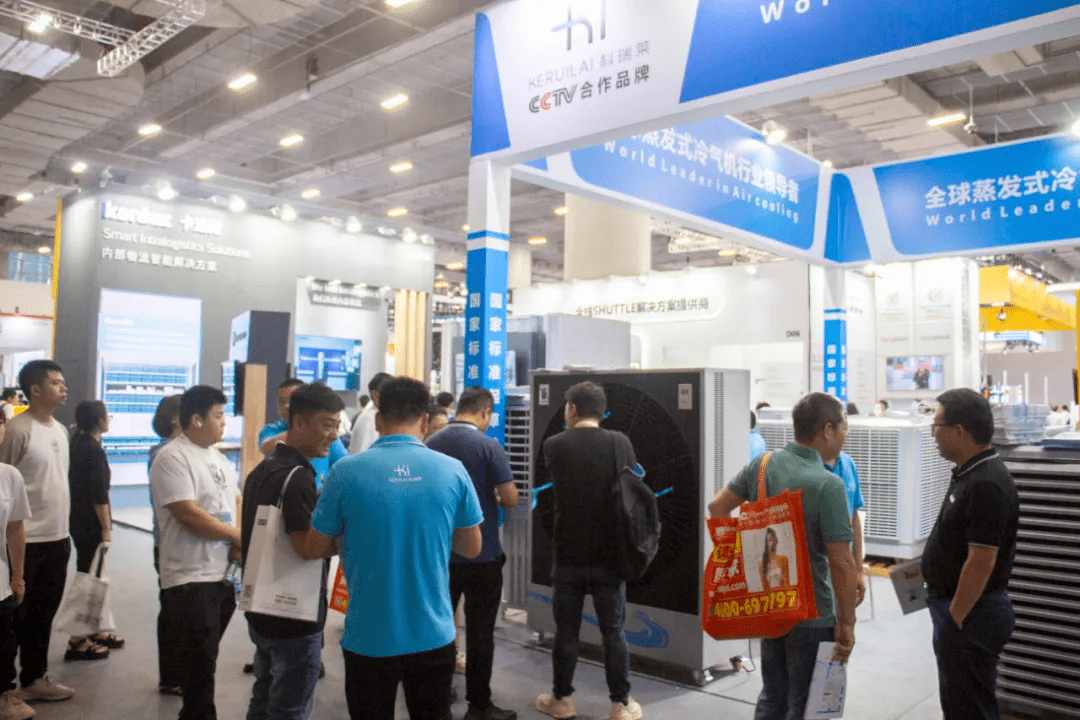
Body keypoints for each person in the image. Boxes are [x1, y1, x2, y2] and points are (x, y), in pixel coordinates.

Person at [309, 376, 483, 720]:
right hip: (433, 633)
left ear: (378, 420)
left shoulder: (345, 472)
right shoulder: (452, 470)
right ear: (424, 421)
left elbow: (314, 547)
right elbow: (472, 547)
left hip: (368, 636)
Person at [708, 392, 858, 720]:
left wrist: (742, 556)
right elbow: (841, 563)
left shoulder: (762, 466)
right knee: (806, 705)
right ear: (828, 430)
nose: (845, 435)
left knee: (773, 696)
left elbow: (717, 507)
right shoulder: (828, 485)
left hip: (770, 604)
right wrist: (847, 622)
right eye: (844, 427)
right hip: (813, 613)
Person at [535, 381, 642, 720]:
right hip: (611, 558)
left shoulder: (554, 445)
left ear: (572, 409)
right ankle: (620, 705)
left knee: (566, 632)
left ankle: (562, 700)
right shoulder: (620, 443)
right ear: (602, 411)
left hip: (568, 556)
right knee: (613, 632)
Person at [242, 382, 344, 720]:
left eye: (337, 425)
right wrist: (347, 539)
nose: (334, 435)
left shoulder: (263, 469)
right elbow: (306, 548)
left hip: (261, 609)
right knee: (291, 708)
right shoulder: (298, 477)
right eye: (327, 425)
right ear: (298, 422)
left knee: (263, 696)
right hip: (293, 616)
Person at [923, 389, 1019, 720]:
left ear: (959, 430)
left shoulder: (986, 483)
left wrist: (955, 619)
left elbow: (981, 562)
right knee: (958, 702)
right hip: (961, 610)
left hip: (972, 615)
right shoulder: (969, 473)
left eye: (936, 426)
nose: (933, 434)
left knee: (970, 708)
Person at [426, 386, 520, 720]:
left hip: (440, 554)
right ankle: (479, 706)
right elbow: (510, 498)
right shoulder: (489, 446)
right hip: (483, 555)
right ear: (484, 413)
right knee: (481, 634)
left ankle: (437, 700)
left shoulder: (431, 443)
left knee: (439, 628)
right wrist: (492, 496)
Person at [151, 385, 241, 720]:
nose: (224, 422)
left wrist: (237, 541)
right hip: (190, 577)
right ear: (196, 420)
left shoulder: (218, 457)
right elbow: (187, 513)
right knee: (199, 665)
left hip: (222, 573)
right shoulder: (173, 457)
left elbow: (235, 501)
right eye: (218, 416)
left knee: (206, 659)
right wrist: (237, 536)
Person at [0, 360, 75, 703]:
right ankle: (6, 689)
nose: (63, 387)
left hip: (58, 538)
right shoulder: (18, 429)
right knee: (15, 617)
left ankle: (34, 677)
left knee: (43, 614)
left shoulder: (60, 430)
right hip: (26, 541)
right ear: (35, 390)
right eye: (56, 382)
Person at [66, 400, 124, 660]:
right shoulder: (93, 450)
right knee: (89, 579)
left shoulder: (78, 443)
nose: (108, 419)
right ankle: (77, 639)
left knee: (93, 576)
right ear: (100, 421)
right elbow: (99, 494)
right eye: (107, 415)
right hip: (91, 524)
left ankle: (92, 629)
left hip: (79, 521)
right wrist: (106, 527)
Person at [0, 409, 35, 720]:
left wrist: (18, 577)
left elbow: (15, 529)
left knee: (3, 645)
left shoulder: (9, 476)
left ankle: (4, 695)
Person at [148, 394, 184, 697]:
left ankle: (176, 672)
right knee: (173, 610)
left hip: (173, 542)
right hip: (167, 542)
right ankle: (171, 676)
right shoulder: (163, 454)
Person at [260, 379, 347, 489]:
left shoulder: (328, 436)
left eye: (292, 400)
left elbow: (345, 467)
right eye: (281, 401)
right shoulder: (270, 430)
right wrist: (304, 427)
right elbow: (266, 447)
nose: (286, 406)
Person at [822, 445, 868, 607]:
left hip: (843, 562)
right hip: (816, 565)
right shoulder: (807, 466)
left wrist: (858, 570)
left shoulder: (848, 463)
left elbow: (855, 518)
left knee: (843, 616)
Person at [348, 372, 392, 455]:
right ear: (375, 394)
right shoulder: (369, 419)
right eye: (391, 393)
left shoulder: (374, 416)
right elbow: (362, 456)